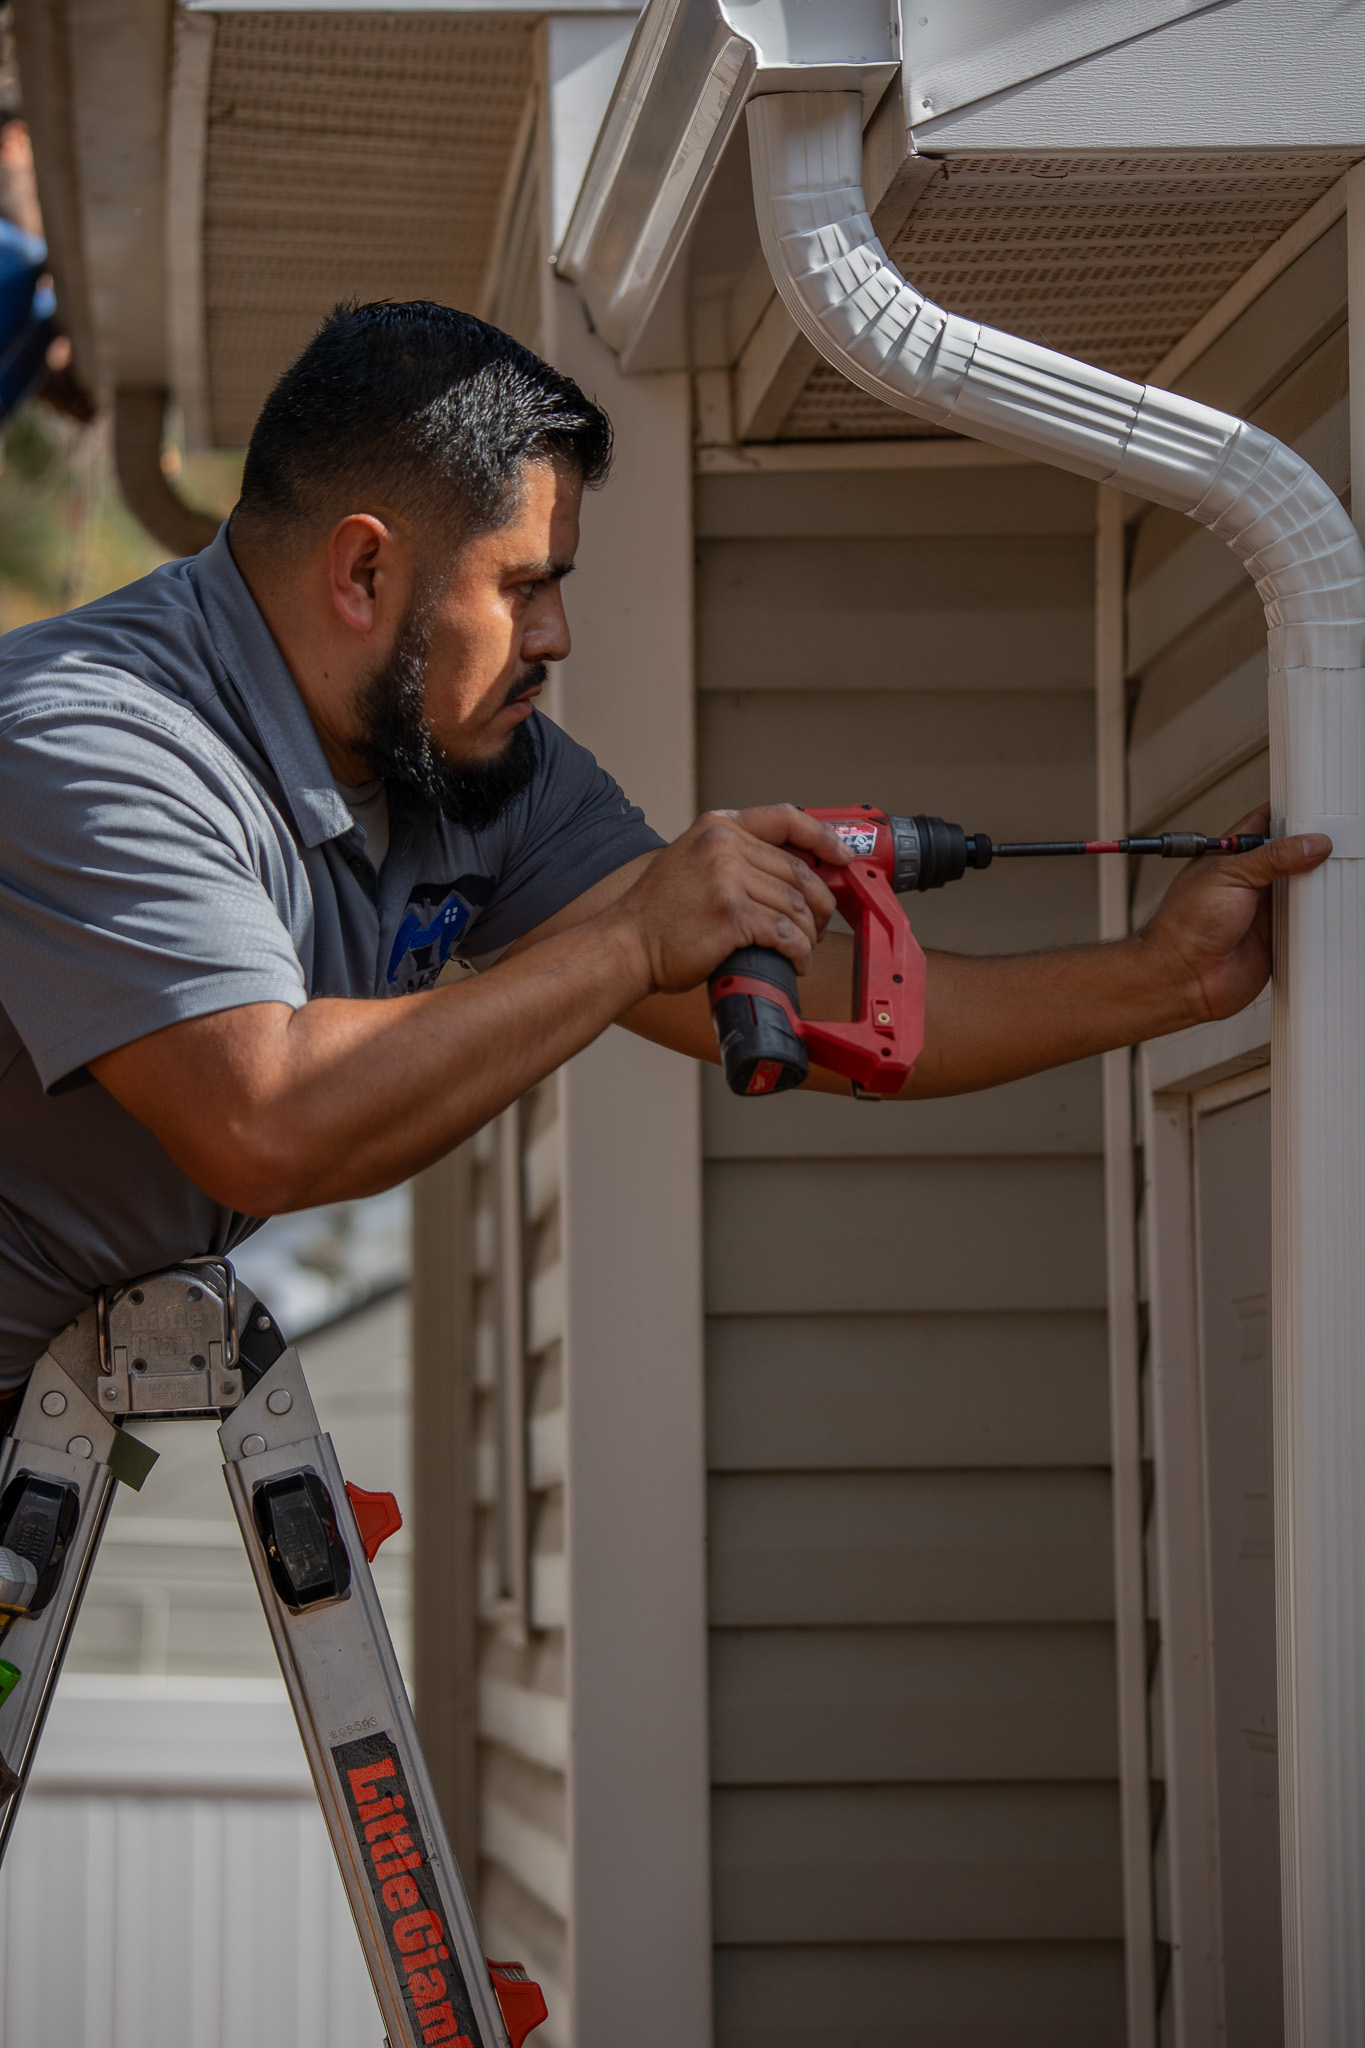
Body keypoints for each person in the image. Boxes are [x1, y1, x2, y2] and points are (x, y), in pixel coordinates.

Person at [0, 300, 1328, 1404]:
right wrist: (630, 937)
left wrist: (1166, 981)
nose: (558, 637)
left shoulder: (469, 762)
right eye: (525, 585)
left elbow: (802, 1004)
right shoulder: (98, 745)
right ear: (364, 574)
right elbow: (266, 1122)